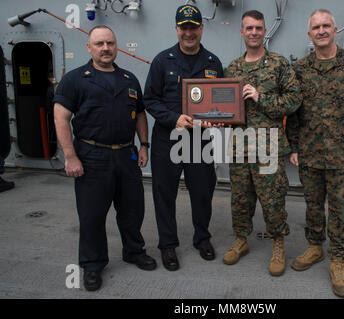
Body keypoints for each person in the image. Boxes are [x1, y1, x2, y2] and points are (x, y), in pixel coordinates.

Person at [53, 25, 156, 292]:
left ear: (116, 46)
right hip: (91, 155)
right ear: (89, 48)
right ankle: (92, 264)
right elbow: (61, 117)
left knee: (133, 210)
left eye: (110, 43)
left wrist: (143, 145)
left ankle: (133, 251)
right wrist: (70, 156)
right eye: (99, 44)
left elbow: (141, 114)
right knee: (92, 215)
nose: (105, 48)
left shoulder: (129, 78)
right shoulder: (76, 79)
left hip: (126, 154)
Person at [286, 9, 344, 297]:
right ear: (309, 34)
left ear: (335, 30)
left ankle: (337, 260)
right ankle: (315, 247)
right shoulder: (299, 69)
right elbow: (294, 111)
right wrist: (294, 147)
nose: (322, 30)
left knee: (340, 210)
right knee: (313, 205)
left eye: (326, 25)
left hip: (343, 155)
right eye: (316, 27)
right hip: (310, 153)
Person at [143, 5, 224, 271]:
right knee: (164, 194)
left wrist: (217, 117)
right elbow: (150, 100)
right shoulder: (161, 61)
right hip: (168, 138)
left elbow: (220, 103)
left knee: (202, 192)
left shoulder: (213, 63)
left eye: (193, 27)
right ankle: (167, 246)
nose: (189, 32)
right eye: (184, 27)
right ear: (177, 29)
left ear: (201, 28)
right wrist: (172, 118)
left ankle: (202, 238)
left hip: (199, 140)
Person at [223, 10, 300, 276]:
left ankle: (278, 243)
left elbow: (293, 102)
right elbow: (224, 107)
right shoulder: (232, 68)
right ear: (242, 32)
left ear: (264, 31)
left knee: (273, 199)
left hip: (268, 146)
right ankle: (241, 240)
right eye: (249, 28)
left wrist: (260, 97)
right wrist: (215, 118)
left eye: (258, 28)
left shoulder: (279, 64)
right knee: (240, 199)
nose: (254, 32)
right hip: (240, 146)